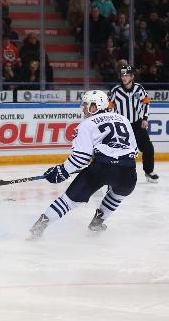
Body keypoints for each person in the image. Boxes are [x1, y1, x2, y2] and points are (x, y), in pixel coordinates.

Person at [29, 90, 138, 239]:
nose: (83, 108)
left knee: (68, 201)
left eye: (86, 105)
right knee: (117, 194)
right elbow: (135, 151)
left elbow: (80, 158)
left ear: (95, 106)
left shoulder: (86, 124)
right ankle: (97, 223)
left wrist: (61, 171)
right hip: (128, 171)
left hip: (101, 169)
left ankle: (38, 228)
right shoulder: (123, 119)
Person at [109, 65, 158, 182]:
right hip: (121, 126)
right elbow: (109, 107)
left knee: (148, 148)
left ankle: (149, 172)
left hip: (137, 124)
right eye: (122, 75)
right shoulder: (115, 90)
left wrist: (145, 118)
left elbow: (146, 103)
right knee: (118, 151)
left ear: (132, 76)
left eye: (126, 75)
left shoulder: (139, 89)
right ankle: (114, 174)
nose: (124, 77)